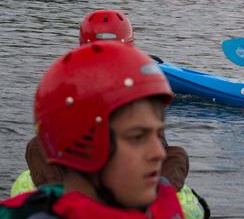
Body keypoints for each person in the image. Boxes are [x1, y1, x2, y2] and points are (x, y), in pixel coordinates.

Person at [0, 42, 208, 219]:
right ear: (82, 146)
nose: (159, 153)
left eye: (158, 134)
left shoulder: (159, 215)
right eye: (137, 137)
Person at [24, 10, 189, 193]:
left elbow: (155, 141)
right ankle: (59, 195)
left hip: (128, 162)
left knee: (177, 156)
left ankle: (157, 195)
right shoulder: (71, 82)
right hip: (86, 160)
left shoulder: (143, 85)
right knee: (37, 146)